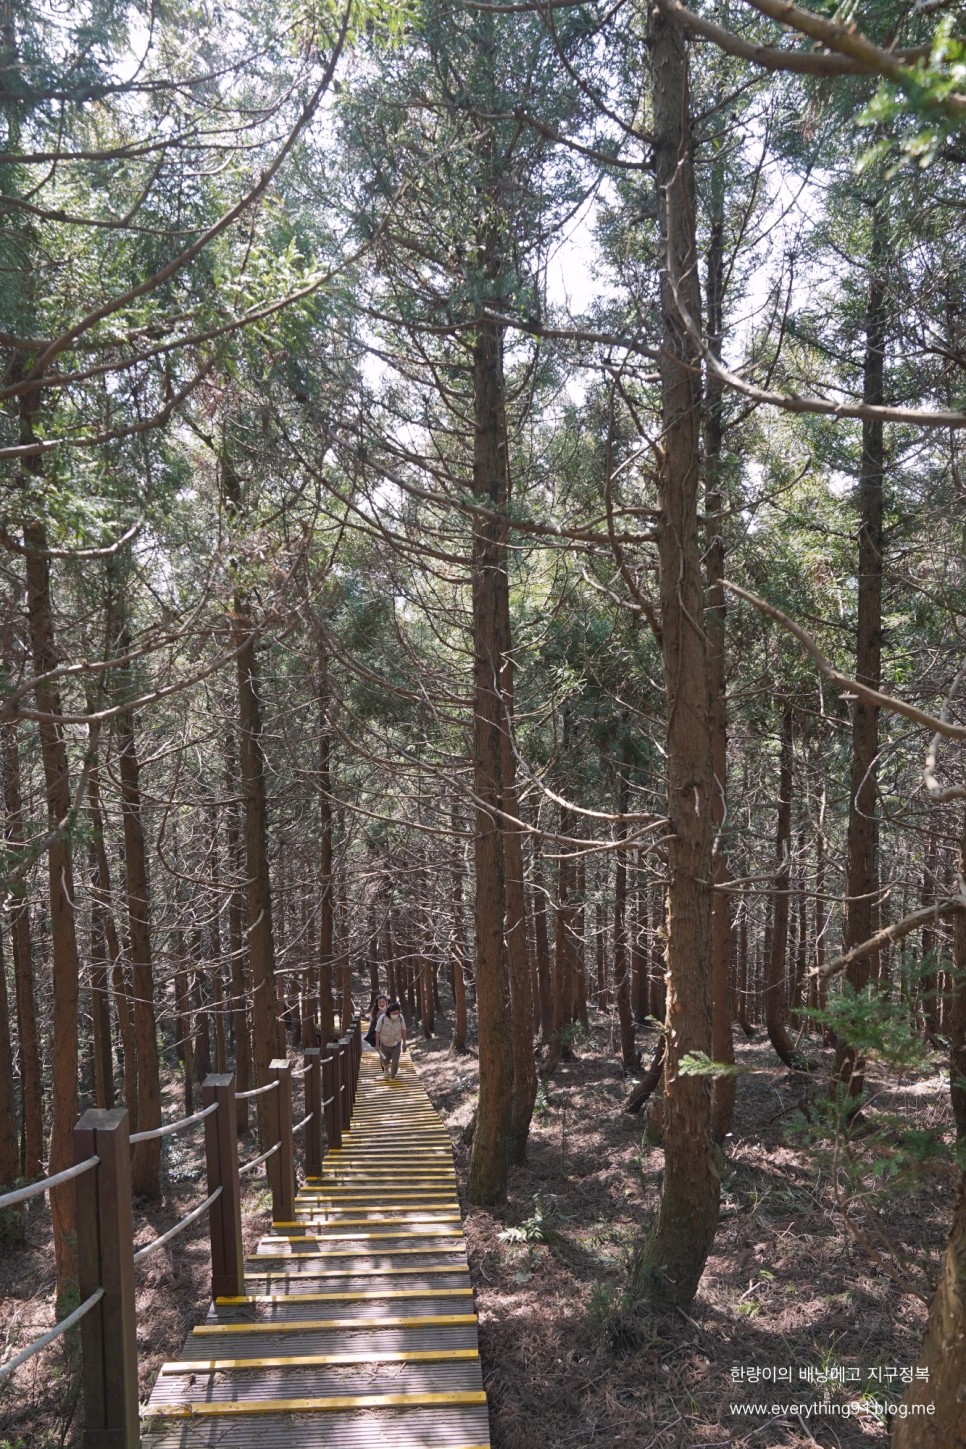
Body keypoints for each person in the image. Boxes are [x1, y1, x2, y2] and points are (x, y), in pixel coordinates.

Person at [376, 1000, 407, 1080]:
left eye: (397, 1013)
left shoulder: (400, 1018)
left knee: (395, 1062)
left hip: (396, 1043)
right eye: (394, 1013)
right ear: (390, 1011)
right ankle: (386, 1068)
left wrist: (404, 1043)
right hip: (384, 1043)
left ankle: (393, 1076)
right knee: (385, 1061)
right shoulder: (382, 1018)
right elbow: (377, 1031)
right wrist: (377, 1044)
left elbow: (403, 1030)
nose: (395, 1015)